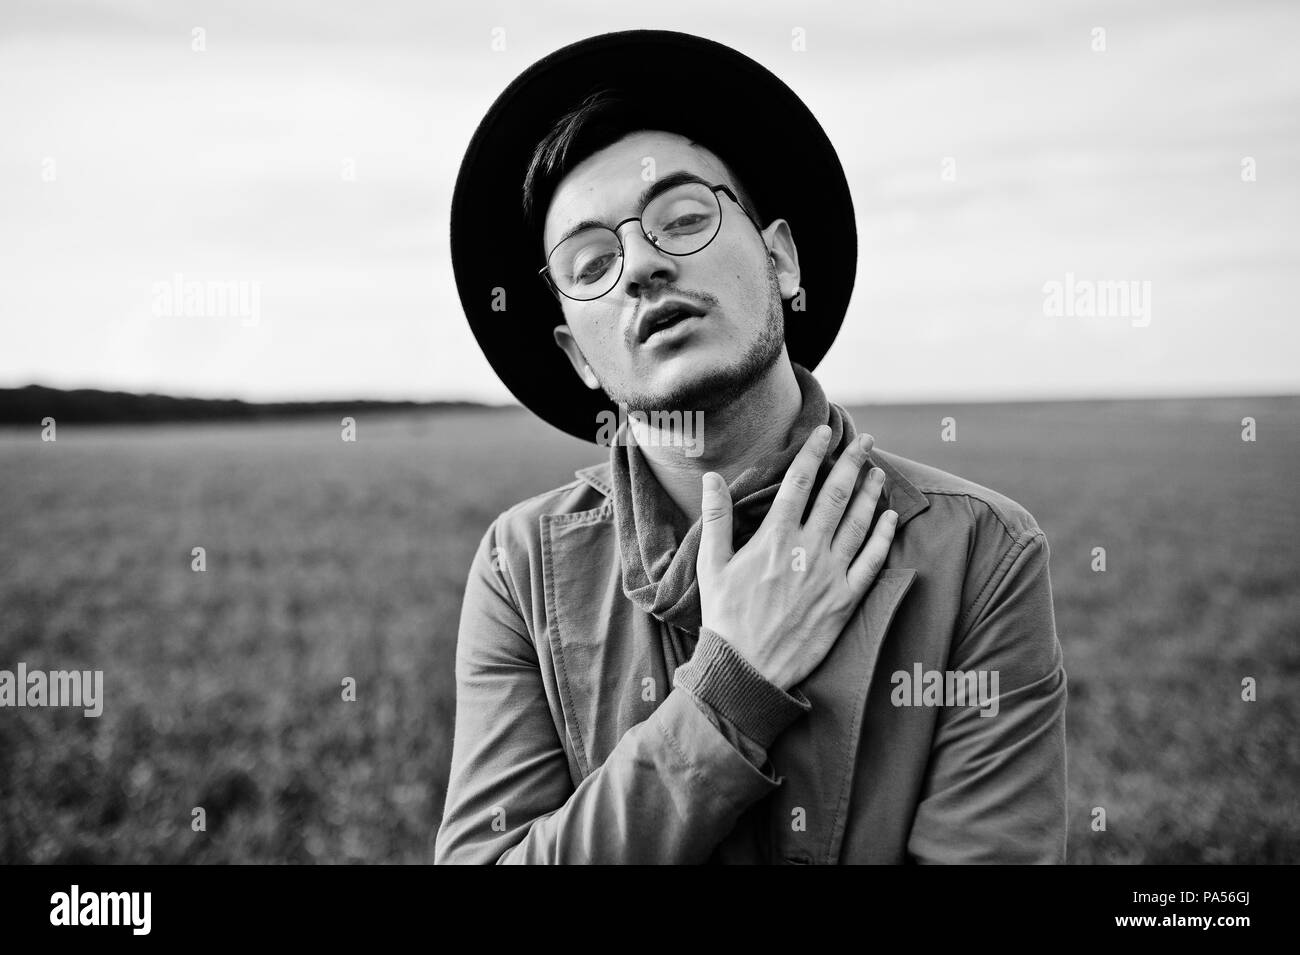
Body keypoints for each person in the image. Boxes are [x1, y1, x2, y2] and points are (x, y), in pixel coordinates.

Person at [434, 30, 1067, 864]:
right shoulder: (522, 567)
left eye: (684, 219)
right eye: (591, 263)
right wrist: (730, 687)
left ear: (781, 260)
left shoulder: (978, 552)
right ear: (579, 355)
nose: (640, 269)